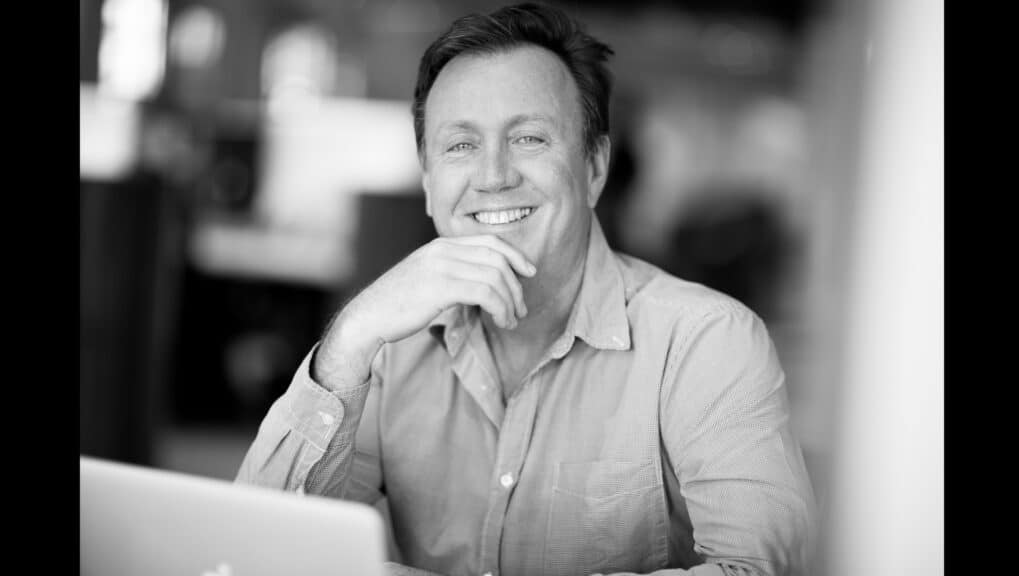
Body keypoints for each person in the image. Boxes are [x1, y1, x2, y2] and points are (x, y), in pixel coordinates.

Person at [236, 4, 815, 575]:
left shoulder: (707, 342)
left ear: (594, 168)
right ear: (429, 181)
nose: (492, 176)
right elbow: (256, 549)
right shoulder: (389, 348)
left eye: (529, 139)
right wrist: (353, 334)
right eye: (460, 145)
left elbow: (755, 569)